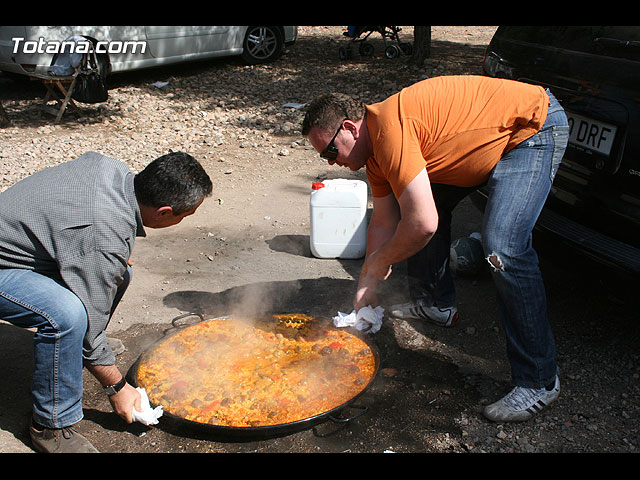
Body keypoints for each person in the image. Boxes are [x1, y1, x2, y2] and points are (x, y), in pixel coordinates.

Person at [302, 75, 569, 423]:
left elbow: (422, 225)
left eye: (330, 151)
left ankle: (539, 380)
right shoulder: (377, 157)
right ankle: (436, 303)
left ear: (351, 128)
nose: (331, 162)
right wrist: (368, 280)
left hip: (531, 129)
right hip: (484, 143)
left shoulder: (390, 132)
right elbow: (384, 222)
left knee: (503, 248)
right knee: (415, 207)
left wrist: (382, 259)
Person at [0, 151, 212, 452]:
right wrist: (117, 387)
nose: (184, 219)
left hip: (19, 250)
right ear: (164, 211)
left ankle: (82, 347)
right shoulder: (103, 234)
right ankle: (50, 427)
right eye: (185, 214)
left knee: (118, 272)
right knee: (66, 316)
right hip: (4, 267)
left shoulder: (112, 169)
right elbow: (98, 241)